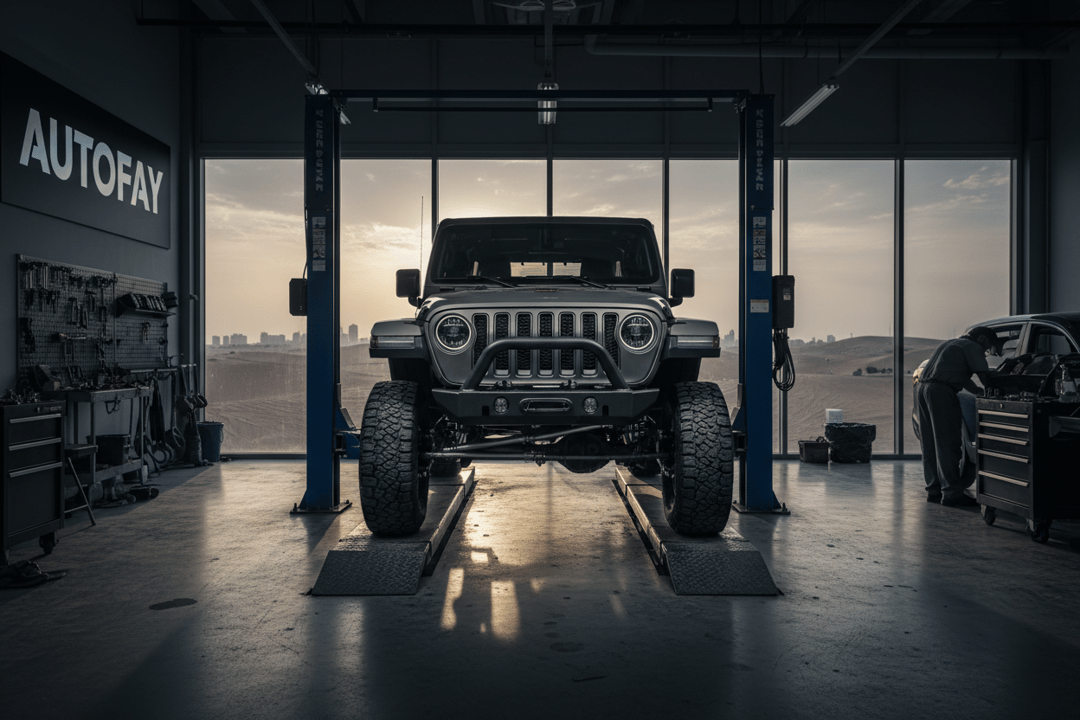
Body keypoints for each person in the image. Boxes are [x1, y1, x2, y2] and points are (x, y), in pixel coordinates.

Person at [914, 326, 1000, 507]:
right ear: (983, 339)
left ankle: (934, 490)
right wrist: (996, 389)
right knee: (947, 442)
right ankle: (952, 494)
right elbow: (984, 375)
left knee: (929, 443)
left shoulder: (951, 344)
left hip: (923, 389)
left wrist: (977, 391)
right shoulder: (972, 347)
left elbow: (961, 375)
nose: (985, 352)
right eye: (987, 348)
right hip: (941, 392)